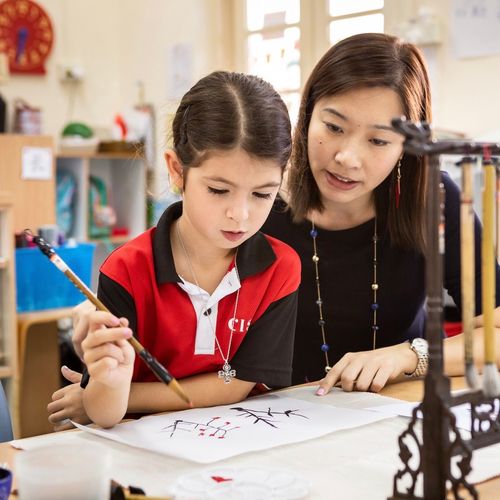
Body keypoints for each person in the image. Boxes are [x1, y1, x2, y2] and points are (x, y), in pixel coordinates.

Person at [49, 33, 500, 430]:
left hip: (388, 418)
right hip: (269, 426)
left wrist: (409, 356)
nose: (346, 156)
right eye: (333, 126)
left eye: (378, 141)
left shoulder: (432, 202)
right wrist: (109, 385)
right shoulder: (259, 205)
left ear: (409, 144)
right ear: (307, 115)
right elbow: (177, 303)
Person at [49, 70, 300, 428]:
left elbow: (236, 387)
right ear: (177, 170)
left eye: (262, 194)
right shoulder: (126, 270)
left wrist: (121, 395)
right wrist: (108, 384)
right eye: (218, 190)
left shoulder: (280, 268)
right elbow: (105, 413)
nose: (240, 215)